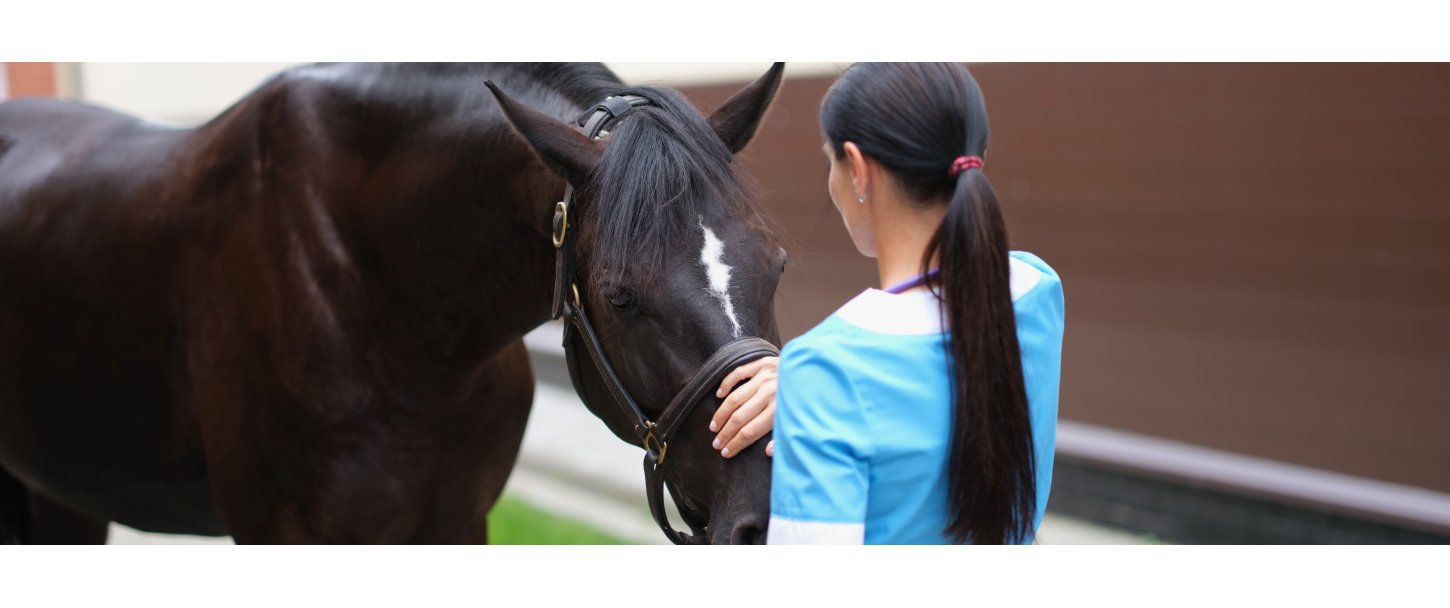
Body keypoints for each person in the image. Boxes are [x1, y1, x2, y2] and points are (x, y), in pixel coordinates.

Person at [707, 62, 1064, 544]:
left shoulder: (827, 371)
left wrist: (813, 384)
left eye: (829, 160)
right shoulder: (1038, 291)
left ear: (857, 170)